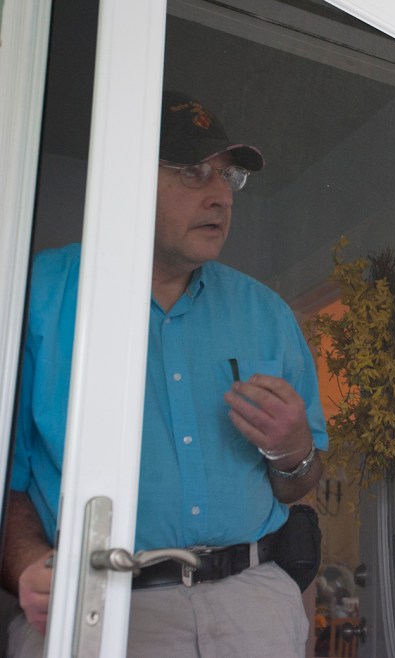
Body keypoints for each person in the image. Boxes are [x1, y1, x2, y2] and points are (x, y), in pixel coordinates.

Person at [2, 91, 328, 658]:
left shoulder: (266, 313)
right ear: (126, 176)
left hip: (254, 608)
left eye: (228, 176)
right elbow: (10, 483)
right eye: (193, 171)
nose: (221, 195)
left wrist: (293, 449)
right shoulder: (37, 298)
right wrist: (30, 565)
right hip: (98, 608)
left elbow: (299, 481)